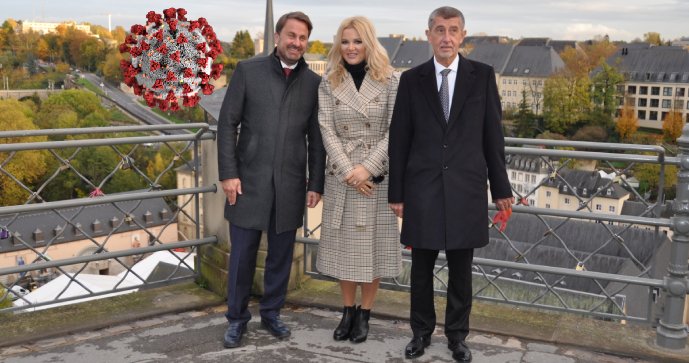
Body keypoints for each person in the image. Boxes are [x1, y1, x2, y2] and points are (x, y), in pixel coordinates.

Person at [388, 6, 514, 362]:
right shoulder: (412, 80)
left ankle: (458, 337)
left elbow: (493, 137)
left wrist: (501, 188)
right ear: (428, 34)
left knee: (461, 271)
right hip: (422, 190)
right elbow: (400, 139)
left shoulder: (483, 76)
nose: (446, 37)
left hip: (466, 190)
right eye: (439, 30)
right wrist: (396, 193)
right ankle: (421, 333)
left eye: (453, 30)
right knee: (421, 271)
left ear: (463, 37)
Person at [217, 11, 325, 349]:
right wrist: (229, 174)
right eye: (291, 35)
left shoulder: (313, 83)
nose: (296, 42)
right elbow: (226, 124)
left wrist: (315, 183)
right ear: (277, 37)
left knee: (280, 255)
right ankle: (236, 319)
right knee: (242, 257)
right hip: (247, 183)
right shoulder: (248, 71)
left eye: (302, 38)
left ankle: (272, 313)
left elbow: (316, 138)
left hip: (291, 184)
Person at [316, 16, 401, 344]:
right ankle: (347, 310)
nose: (351, 48)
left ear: (369, 43)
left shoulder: (390, 80)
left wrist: (367, 167)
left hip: (376, 176)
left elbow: (396, 130)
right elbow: (326, 127)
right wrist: (350, 171)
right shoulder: (329, 80)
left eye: (357, 41)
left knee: (372, 249)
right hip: (342, 176)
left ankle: (365, 313)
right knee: (344, 250)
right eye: (346, 41)